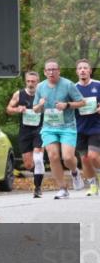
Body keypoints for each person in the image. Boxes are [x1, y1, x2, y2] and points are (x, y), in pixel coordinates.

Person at [33, 60, 85, 199]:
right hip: (49, 127)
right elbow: (35, 109)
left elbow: (82, 102)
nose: (51, 72)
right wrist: (40, 105)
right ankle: (63, 188)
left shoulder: (68, 84)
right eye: (48, 70)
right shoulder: (40, 87)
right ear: (45, 72)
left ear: (59, 71)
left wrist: (66, 105)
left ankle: (75, 171)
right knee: (53, 156)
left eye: (54, 69)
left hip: (67, 126)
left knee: (67, 157)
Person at [6, 70, 45, 198]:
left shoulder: (43, 94)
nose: (30, 84)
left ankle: (37, 187)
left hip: (40, 129)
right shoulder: (19, 94)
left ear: (38, 82)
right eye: (28, 81)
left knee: (38, 159)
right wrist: (17, 109)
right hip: (25, 131)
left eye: (33, 81)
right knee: (28, 164)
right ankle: (39, 171)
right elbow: (8, 109)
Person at [74, 59, 100, 197]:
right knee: (84, 159)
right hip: (79, 128)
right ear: (77, 72)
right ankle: (93, 185)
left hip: (96, 127)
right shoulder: (72, 88)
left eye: (85, 68)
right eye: (80, 68)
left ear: (90, 70)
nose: (83, 70)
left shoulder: (98, 85)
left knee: (93, 156)